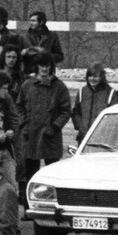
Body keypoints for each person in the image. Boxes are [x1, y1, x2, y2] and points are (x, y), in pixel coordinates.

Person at [19, 57, 71, 194]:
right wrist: (24, 125)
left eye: (47, 66)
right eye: (41, 65)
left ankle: (53, 205)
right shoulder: (27, 84)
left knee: (52, 173)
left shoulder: (59, 86)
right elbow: (19, 107)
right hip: (30, 135)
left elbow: (66, 111)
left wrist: (54, 127)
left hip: (50, 135)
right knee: (30, 173)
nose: (44, 69)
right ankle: (28, 208)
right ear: (36, 66)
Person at [72, 63, 113, 139]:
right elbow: (76, 113)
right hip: (83, 138)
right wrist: (81, 126)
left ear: (102, 77)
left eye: (95, 76)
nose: (92, 79)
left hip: (101, 139)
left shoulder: (111, 93)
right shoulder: (82, 92)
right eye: (90, 76)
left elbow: (113, 118)